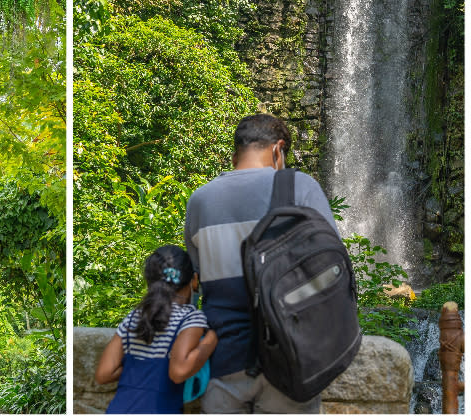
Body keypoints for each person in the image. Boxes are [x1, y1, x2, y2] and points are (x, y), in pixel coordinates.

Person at [184, 113, 338, 413]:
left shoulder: (199, 201)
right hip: (290, 360)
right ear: (278, 150)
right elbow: (332, 268)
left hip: (223, 362)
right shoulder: (300, 187)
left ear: (234, 155)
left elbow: (197, 282)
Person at [95, 245, 217, 413]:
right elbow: (179, 371)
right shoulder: (190, 318)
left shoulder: (135, 316)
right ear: (194, 280)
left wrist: (138, 368)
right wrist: (211, 340)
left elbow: (104, 374)